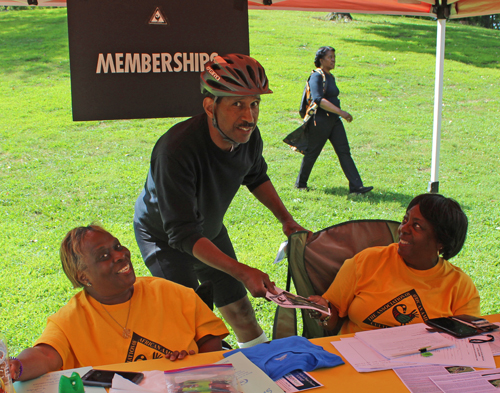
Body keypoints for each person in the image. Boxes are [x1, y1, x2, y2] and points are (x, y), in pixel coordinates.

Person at [134, 53, 307, 348]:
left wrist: (286, 220)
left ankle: (265, 375)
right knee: (192, 324)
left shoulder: (247, 137)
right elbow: (183, 234)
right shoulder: (175, 151)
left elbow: (255, 176)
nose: (249, 117)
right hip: (165, 238)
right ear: (210, 106)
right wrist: (244, 271)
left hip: (208, 230)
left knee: (241, 310)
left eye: (254, 104)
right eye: (237, 104)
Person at [8, 225, 228, 382]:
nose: (121, 255)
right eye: (104, 256)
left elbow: (209, 337)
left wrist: (198, 368)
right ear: (84, 277)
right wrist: (16, 366)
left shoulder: (169, 292)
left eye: (118, 246)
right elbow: (45, 355)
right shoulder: (70, 320)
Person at [308, 193, 480, 334]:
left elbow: (468, 338)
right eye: (405, 220)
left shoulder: (459, 285)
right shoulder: (366, 261)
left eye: (417, 226)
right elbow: (333, 317)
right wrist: (325, 312)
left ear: (441, 241)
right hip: (357, 360)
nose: (403, 229)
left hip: (422, 364)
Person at [295, 46, 372, 194]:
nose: (333, 59)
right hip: (321, 121)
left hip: (334, 121)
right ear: (321, 59)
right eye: (330, 57)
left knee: (344, 152)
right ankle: (301, 184)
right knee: (312, 153)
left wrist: (338, 114)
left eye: (334, 57)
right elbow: (318, 99)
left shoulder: (330, 76)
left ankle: (357, 187)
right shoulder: (317, 76)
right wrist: (341, 112)